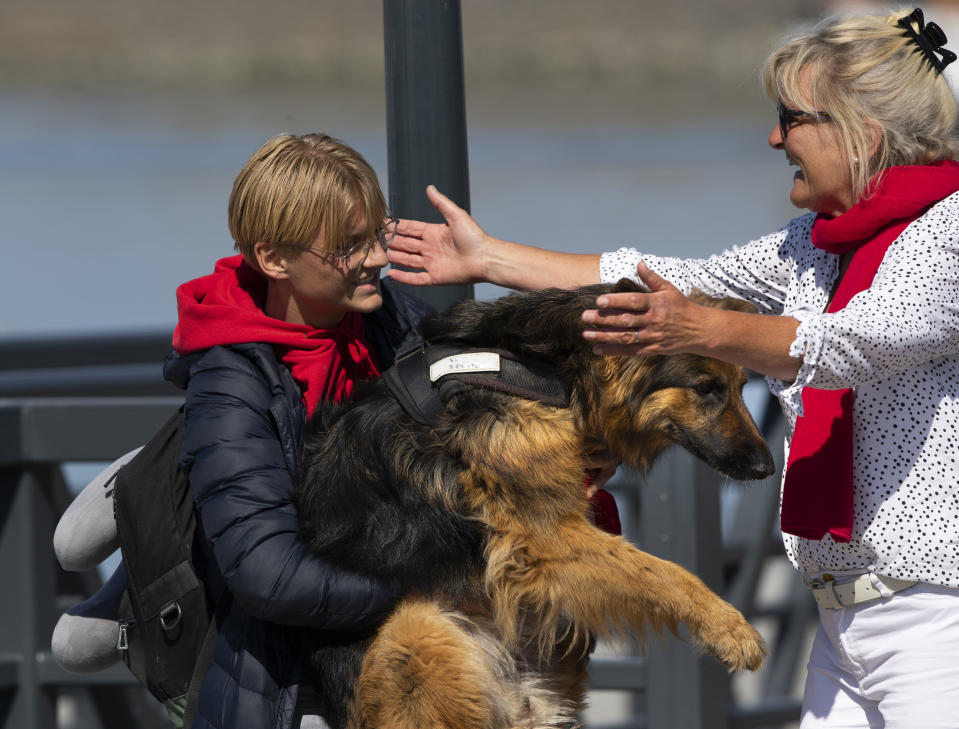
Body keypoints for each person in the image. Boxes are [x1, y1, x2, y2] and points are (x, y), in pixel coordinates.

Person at [385, 8, 959, 728]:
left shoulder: (948, 234)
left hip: (937, 619)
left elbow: (849, 344)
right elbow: (667, 277)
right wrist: (488, 258)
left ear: (860, 134)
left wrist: (701, 328)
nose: (774, 136)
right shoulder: (812, 245)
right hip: (841, 618)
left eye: (791, 117)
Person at [56, 133, 433, 729]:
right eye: (349, 245)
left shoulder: (391, 319)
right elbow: (267, 571)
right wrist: (429, 584)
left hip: (370, 639)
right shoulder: (232, 386)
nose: (377, 259)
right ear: (274, 259)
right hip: (274, 677)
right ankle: (150, 511)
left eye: (378, 235)